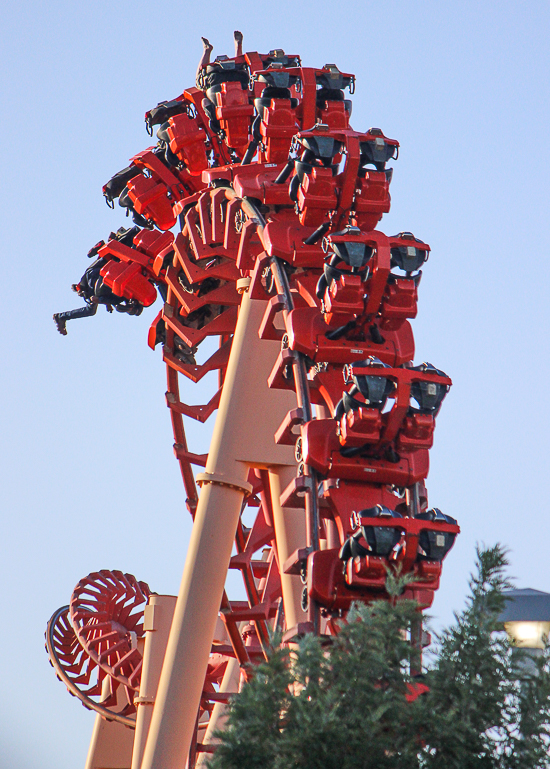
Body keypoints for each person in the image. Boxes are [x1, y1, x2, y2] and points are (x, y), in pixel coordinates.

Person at [53, 257, 142, 335]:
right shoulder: (119, 299)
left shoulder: (123, 295)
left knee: (93, 304)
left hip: (95, 273)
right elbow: (98, 297)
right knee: (90, 310)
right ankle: (61, 316)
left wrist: (106, 303)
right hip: (94, 278)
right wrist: (102, 301)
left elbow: (106, 293)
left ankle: (62, 315)